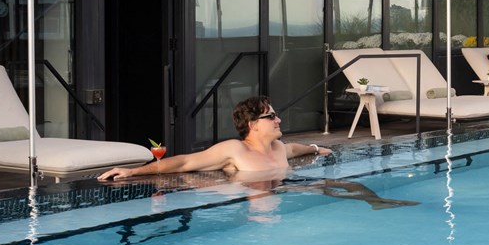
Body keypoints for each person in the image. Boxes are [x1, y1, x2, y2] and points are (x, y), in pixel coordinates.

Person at [98, 95, 333, 180]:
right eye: (271, 116)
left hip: (284, 197)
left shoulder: (279, 147)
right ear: (253, 125)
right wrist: (132, 171)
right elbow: (185, 162)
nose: (278, 120)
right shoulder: (235, 150)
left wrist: (314, 148)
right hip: (257, 209)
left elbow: (295, 149)